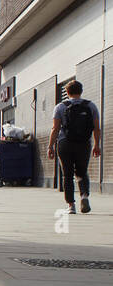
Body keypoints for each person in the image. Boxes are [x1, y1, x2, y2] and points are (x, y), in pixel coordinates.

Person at [47, 80, 100, 215]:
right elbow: (96, 128)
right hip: (84, 143)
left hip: (65, 143)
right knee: (82, 172)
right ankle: (84, 196)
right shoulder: (91, 106)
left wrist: (50, 146)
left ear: (67, 92)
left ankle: (71, 206)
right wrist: (97, 145)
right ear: (81, 91)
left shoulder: (60, 107)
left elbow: (55, 128)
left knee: (67, 174)